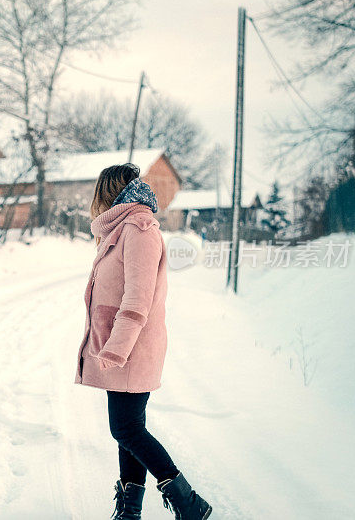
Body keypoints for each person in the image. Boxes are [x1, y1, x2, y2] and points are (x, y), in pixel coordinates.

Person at [75, 164, 212, 520]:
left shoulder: (139, 228)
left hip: (130, 348)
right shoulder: (122, 228)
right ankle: (131, 510)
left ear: (107, 193)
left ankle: (189, 502)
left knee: (126, 428)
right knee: (128, 430)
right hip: (120, 345)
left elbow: (138, 298)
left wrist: (116, 349)